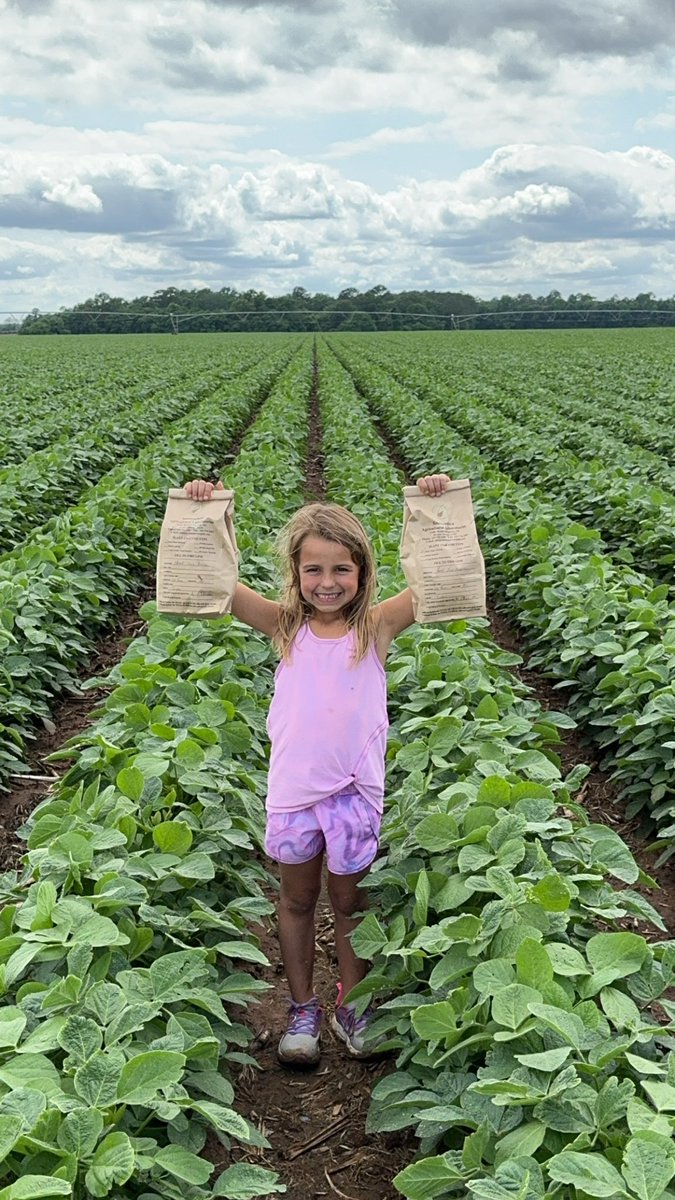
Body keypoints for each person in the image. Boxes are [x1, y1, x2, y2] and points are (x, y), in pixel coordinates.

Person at [184, 473, 452, 1066]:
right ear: (295, 575)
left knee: (351, 904)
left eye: (341, 570)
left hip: (354, 794)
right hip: (294, 793)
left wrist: (434, 505)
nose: (327, 583)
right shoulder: (285, 627)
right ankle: (302, 1008)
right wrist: (210, 512)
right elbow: (220, 586)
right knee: (298, 898)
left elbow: (434, 580)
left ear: (362, 573)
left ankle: (353, 1003)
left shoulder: (375, 629)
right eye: (313, 570)